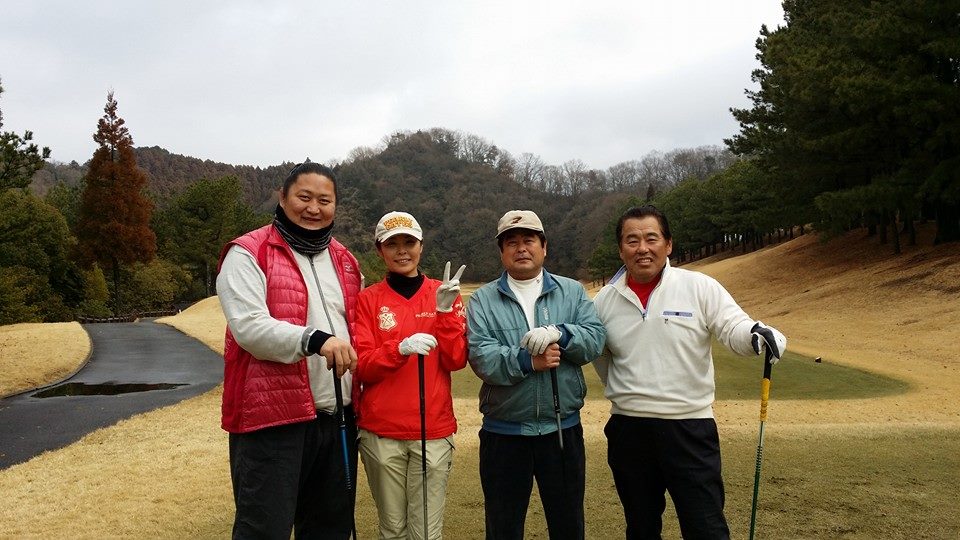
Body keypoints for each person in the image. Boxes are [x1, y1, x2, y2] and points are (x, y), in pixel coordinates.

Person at [593, 205, 787, 540]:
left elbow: (733, 326)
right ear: (621, 249)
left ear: (668, 244)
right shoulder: (604, 301)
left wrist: (755, 335)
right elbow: (600, 357)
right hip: (629, 430)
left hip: (690, 428)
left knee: (705, 527)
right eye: (632, 240)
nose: (642, 248)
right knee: (641, 527)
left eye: (651, 238)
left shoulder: (699, 287)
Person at [216, 161, 363, 539]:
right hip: (273, 421)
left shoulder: (346, 261)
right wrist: (314, 339)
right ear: (282, 198)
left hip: (338, 418)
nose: (314, 208)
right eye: (304, 197)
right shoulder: (248, 253)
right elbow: (249, 327)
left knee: (330, 529)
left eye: (325, 200)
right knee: (264, 529)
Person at [466, 210, 606, 540]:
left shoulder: (571, 292)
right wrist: (530, 361)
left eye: (529, 240)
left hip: (562, 430)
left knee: (568, 524)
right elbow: (482, 358)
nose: (521, 248)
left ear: (544, 246)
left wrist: (562, 333)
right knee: (503, 527)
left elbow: (595, 338)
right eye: (511, 242)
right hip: (504, 434)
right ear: (502, 252)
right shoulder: (483, 299)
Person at [353, 211, 469, 539]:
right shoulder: (368, 299)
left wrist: (444, 312)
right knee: (392, 530)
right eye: (392, 244)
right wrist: (399, 350)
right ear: (380, 250)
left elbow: (456, 358)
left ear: (421, 246)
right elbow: (362, 365)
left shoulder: (443, 292)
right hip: (381, 432)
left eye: (409, 242)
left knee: (426, 533)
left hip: (431, 432)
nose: (402, 250)